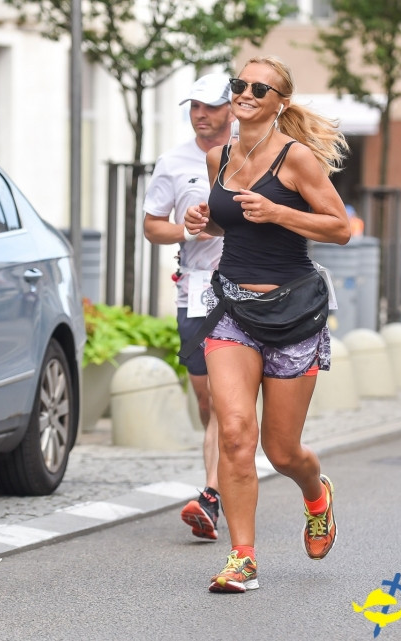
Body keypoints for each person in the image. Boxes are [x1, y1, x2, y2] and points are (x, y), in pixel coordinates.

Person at [183, 56, 351, 593]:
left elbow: (340, 228)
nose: (246, 92)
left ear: (280, 101)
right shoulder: (220, 157)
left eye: (261, 87)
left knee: (282, 452)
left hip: (294, 313)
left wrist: (280, 213)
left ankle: (315, 492)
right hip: (232, 309)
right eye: (240, 84)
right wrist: (202, 221)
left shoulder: (296, 159)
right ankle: (243, 558)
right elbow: (227, 222)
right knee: (235, 434)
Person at [143, 73, 235, 540]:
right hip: (196, 288)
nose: (201, 114)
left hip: (247, 287)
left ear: (231, 108)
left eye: (210, 106)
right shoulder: (173, 162)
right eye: (194, 106)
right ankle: (228, 460)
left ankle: (213, 493)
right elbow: (151, 226)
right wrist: (186, 230)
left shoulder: (256, 152)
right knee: (207, 398)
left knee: (223, 398)